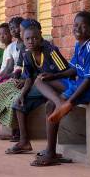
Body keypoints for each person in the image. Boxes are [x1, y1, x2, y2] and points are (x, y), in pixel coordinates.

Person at [29, 11, 90, 167]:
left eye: (83, 26)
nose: (78, 28)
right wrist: (53, 76)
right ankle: (60, 103)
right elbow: (73, 69)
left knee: (50, 105)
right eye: (75, 25)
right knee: (40, 80)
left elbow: (89, 78)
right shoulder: (79, 45)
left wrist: (70, 101)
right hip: (79, 83)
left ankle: (51, 152)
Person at [5, 23, 69, 155]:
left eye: (34, 38)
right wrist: (22, 94)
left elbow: (68, 72)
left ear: (40, 38)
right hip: (44, 88)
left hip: (61, 85)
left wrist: (52, 76)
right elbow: (28, 78)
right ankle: (24, 142)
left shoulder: (51, 51)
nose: (31, 41)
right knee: (18, 103)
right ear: (23, 40)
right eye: (27, 39)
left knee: (41, 83)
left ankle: (59, 104)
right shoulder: (27, 55)